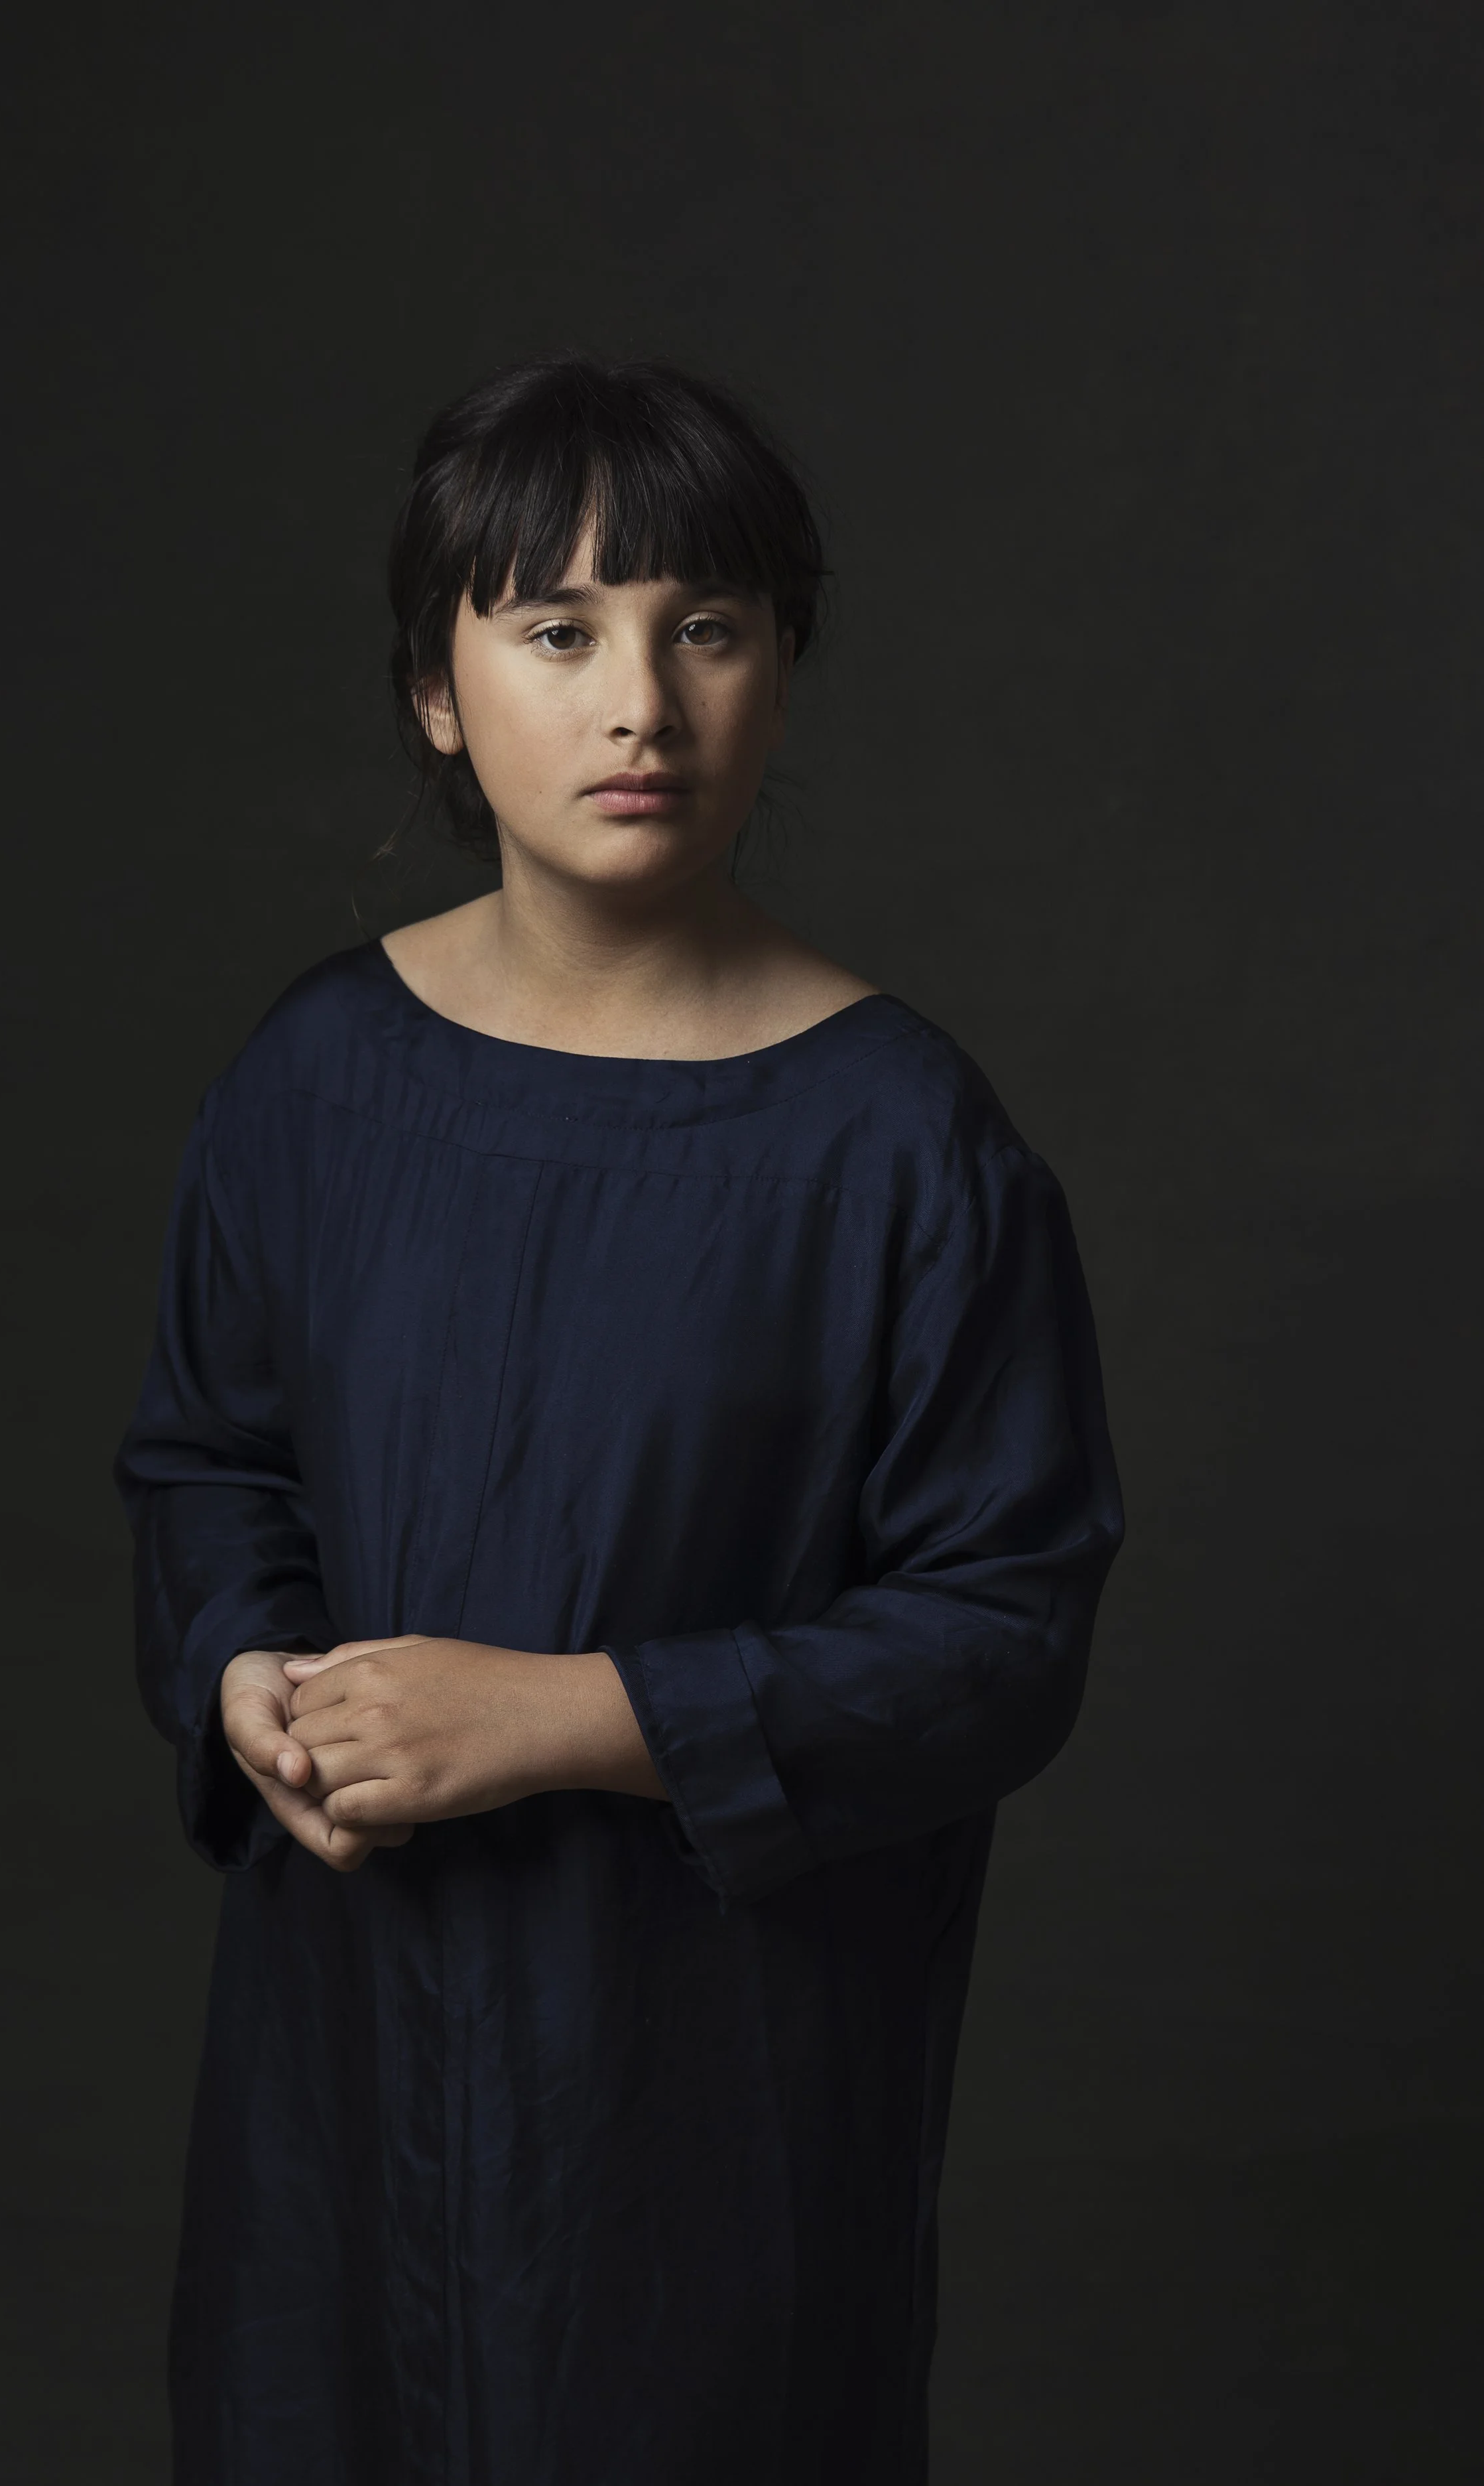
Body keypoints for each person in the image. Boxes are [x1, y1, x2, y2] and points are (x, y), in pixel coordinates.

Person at [116, 353, 1124, 2486]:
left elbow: (1003, 1626)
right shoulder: (314, 1078)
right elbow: (210, 1456)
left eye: (707, 628)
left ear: (781, 670)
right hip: (344, 2057)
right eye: (558, 632)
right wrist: (242, 1670)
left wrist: (575, 1715)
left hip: (707, 2092)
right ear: (434, 685)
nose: (638, 706)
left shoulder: (898, 1144)